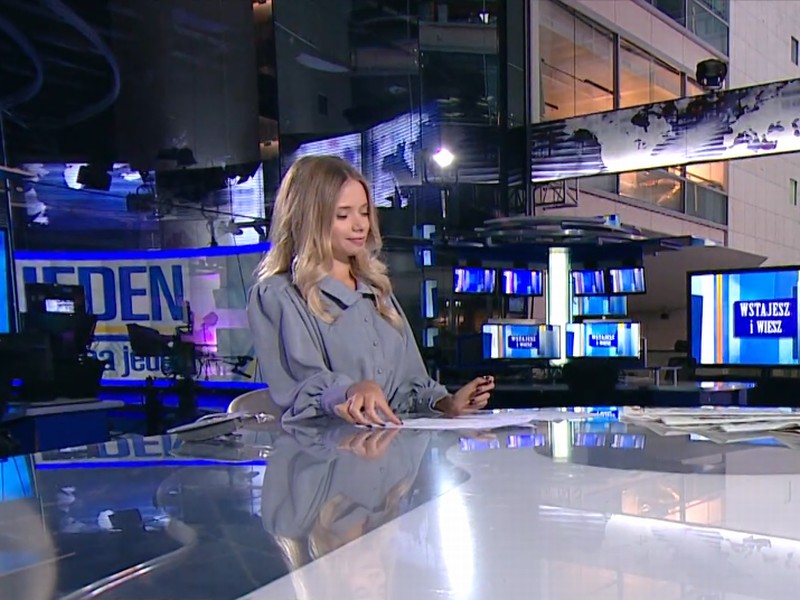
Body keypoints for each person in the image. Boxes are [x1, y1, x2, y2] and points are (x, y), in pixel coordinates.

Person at [248, 155, 494, 425]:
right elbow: (303, 390)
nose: (360, 225)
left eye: (365, 212)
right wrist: (351, 392)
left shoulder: (377, 291)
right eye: (343, 215)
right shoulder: (279, 296)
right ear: (309, 219)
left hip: (394, 446)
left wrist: (447, 403)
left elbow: (409, 385)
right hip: (328, 449)